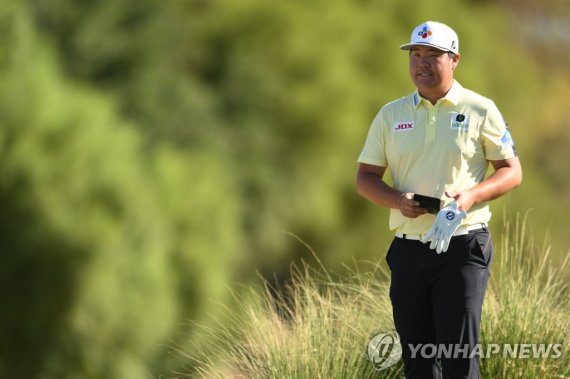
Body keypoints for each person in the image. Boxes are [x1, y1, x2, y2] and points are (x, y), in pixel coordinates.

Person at [356, 21, 522, 378]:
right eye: (416, 54)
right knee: (418, 363)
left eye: (433, 55)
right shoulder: (391, 114)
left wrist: (471, 196)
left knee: (459, 358)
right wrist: (398, 200)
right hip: (409, 249)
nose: (422, 63)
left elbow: (511, 171)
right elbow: (365, 178)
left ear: (454, 59)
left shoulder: (480, 108)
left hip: (463, 246)